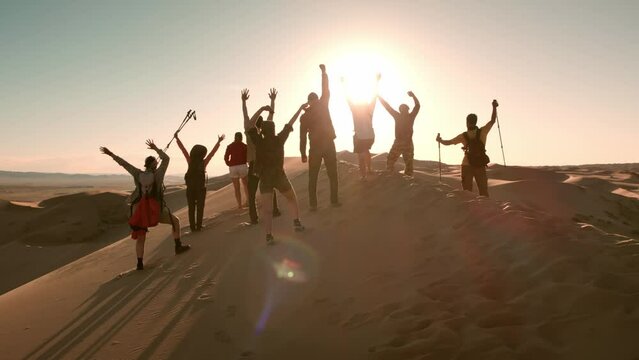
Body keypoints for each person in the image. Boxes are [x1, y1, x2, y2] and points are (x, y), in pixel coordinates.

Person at [99, 140, 190, 271]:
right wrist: (155, 148)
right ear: (154, 164)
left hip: (140, 211)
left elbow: (124, 164)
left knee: (141, 237)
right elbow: (166, 158)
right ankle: (178, 246)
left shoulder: (138, 174)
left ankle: (139, 264)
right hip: (156, 210)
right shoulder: (159, 174)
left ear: (146, 165)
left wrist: (111, 154)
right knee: (175, 222)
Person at [247, 103, 307, 244]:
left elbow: (250, 125)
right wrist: (300, 108)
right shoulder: (279, 139)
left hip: (265, 178)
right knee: (292, 198)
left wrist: (261, 109)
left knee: (267, 210)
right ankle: (297, 223)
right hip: (280, 176)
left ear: (262, 130)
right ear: (273, 129)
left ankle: (268, 236)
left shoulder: (258, 141)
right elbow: (290, 122)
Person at [436, 99, 499, 197]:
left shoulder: (463, 136)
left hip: (466, 165)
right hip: (480, 164)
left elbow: (449, 142)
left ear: (467, 122)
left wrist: (440, 140)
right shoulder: (482, 131)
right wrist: (494, 107)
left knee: (466, 193)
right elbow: (492, 120)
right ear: (475, 121)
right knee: (483, 192)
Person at [300, 64, 340, 210]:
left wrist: (303, 153)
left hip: (317, 147)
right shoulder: (322, 104)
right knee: (330, 175)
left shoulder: (306, 115)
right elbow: (326, 89)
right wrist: (324, 73)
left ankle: (314, 205)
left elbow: (302, 137)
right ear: (314, 100)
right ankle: (332, 202)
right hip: (326, 144)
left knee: (315, 176)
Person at [242, 88, 280, 224]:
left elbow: (246, 116)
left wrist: (245, 103)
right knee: (270, 187)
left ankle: (254, 218)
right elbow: (271, 116)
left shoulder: (249, 131)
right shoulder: (263, 134)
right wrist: (272, 102)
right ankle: (274, 210)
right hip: (264, 164)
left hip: (254, 165)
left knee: (252, 194)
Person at [175, 132, 225, 232]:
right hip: (201, 189)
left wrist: (177, 139)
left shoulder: (190, 161)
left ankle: (192, 227)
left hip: (190, 189)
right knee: (200, 207)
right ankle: (199, 226)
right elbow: (212, 153)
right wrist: (218, 142)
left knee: (191, 207)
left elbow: (183, 149)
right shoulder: (203, 163)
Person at [344, 73, 380, 180]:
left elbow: (348, 99)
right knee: (366, 151)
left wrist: (344, 84)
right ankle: (369, 169)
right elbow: (374, 97)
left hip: (360, 136)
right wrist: (377, 81)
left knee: (361, 155)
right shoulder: (369, 110)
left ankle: (364, 175)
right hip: (370, 136)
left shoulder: (355, 111)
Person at [378, 91, 421, 176]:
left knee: (403, 162)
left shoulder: (404, 116)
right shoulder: (404, 116)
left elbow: (387, 107)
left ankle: (401, 178)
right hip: (402, 142)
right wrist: (413, 96)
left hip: (403, 142)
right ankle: (391, 176)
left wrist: (414, 96)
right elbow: (387, 107)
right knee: (395, 160)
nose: (403, 110)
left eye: (404, 109)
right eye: (402, 109)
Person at [224, 132, 250, 209]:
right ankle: (248, 201)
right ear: (241, 137)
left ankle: (239, 205)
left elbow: (226, 157)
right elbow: (248, 156)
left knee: (236, 187)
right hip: (242, 165)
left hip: (233, 167)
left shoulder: (230, 146)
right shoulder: (244, 146)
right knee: (246, 185)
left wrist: (229, 163)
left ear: (235, 137)